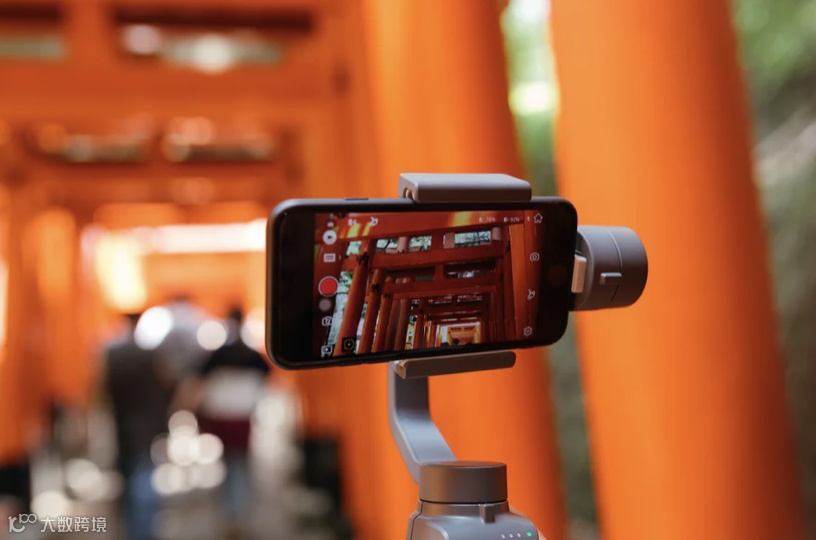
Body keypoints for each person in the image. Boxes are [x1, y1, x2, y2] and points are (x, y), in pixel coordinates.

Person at [177, 306, 270, 535]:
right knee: (240, 464)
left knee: (230, 463)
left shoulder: (218, 354)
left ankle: (233, 511)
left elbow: (198, 378)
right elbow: (266, 376)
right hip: (241, 417)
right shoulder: (252, 355)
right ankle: (238, 511)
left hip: (222, 416)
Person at [104, 312, 172, 540]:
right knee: (143, 480)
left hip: (123, 425)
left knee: (129, 479)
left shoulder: (113, 355)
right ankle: (143, 531)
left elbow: (104, 392)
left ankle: (133, 530)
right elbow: (166, 387)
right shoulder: (151, 355)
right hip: (147, 427)